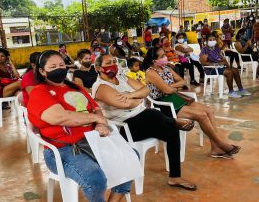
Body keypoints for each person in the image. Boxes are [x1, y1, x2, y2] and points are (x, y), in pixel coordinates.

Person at [27, 50, 131, 202]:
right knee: (95, 178)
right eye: (53, 66)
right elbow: (60, 117)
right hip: (63, 149)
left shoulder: (76, 87)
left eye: (62, 64)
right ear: (42, 71)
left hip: (92, 140)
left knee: (130, 157)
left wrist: (98, 124)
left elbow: (96, 108)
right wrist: (96, 118)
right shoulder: (40, 92)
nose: (59, 68)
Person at [92, 54, 197, 191]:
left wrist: (131, 95)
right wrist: (138, 98)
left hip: (143, 119)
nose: (113, 64)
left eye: (114, 61)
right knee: (153, 114)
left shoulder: (122, 78)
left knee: (171, 130)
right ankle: (174, 121)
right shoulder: (101, 87)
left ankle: (175, 177)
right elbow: (126, 105)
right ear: (99, 68)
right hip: (124, 127)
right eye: (108, 63)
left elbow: (146, 89)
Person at [144, 47, 241, 158]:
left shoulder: (166, 68)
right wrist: (172, 88)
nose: (165, 57)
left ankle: (215, 147)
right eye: (162, 56)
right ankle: (221, 144)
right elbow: (166, 91)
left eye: (164, 55)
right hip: (164, 104)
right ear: (154, 61)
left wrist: (172, 87)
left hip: (175, 98)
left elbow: (182, 81)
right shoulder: (151, 72)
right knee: (202, 116)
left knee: (209, 110)